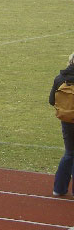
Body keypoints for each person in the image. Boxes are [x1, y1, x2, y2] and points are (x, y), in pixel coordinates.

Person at [49, 53, 74, 196]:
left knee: (69, 153)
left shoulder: (59, 78)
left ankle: (58, 189)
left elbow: (52, 101)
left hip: (67, 121)